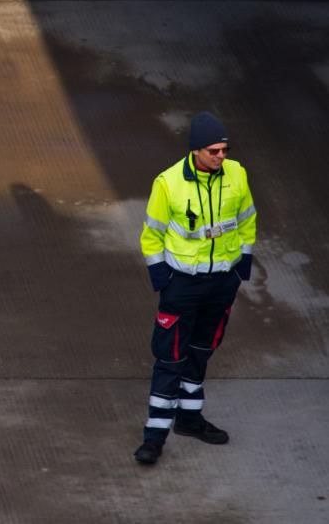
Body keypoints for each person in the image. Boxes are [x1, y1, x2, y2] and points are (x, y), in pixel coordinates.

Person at [133, 112, 256, 465]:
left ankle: (189, 419)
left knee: (201, 350)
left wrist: (241, 267)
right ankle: (154, 439)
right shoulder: (168, 183)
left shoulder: (237, 174)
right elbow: (152, 234)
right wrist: (163, 280)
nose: (222, 157)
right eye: (214, 151)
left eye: (224, 150)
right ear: (196, 151)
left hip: (221, 283)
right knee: (170, 358)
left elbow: (248, 218)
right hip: (182, 285)